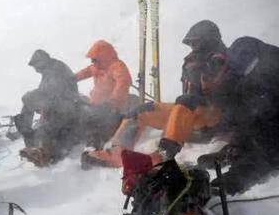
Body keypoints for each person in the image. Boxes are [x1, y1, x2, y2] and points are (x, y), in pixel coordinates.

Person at [81, 20, 229, 168]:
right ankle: (117, 153)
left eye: (196, 43)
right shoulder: (193, 60)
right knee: (142, 110)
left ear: (208, 40)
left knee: (186, 100)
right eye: (191, 44)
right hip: (189, 112)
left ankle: (163, 154)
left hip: (212, 115)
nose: (193, 47)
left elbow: (223, 89)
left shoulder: (220, 58)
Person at [198, 36, 279, 194]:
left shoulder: (258, 71)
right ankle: (238, 150)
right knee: (252, 113)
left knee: (266, 128)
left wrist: (239, 175)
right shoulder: (242, 69)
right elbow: (246, 116)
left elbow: (271, 142)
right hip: (266, 105)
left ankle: (244, 165)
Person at [14, 49, 82, 166]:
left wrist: (33, 97)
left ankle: (42, 152)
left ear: (42, 61)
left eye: (36, 65)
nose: (35, 69)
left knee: (48, 128)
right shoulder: (48, 70)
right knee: (42, 126)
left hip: (66, 107)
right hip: (58, 106)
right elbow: (46, 93)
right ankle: (34, 145)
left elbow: (53, 91)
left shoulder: (57, 69)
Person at [74, 40, 132, 148]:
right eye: (92, 60)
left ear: (103, 57)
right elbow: (84, 73)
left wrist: (113, 101)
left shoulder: (117, 66)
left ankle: (94, 148)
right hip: (96, 105)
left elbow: (123, 82)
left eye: (94, 59)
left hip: (113, 109)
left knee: (96, 124)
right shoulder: (96, 67)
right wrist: (69, 79)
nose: (92, 62)